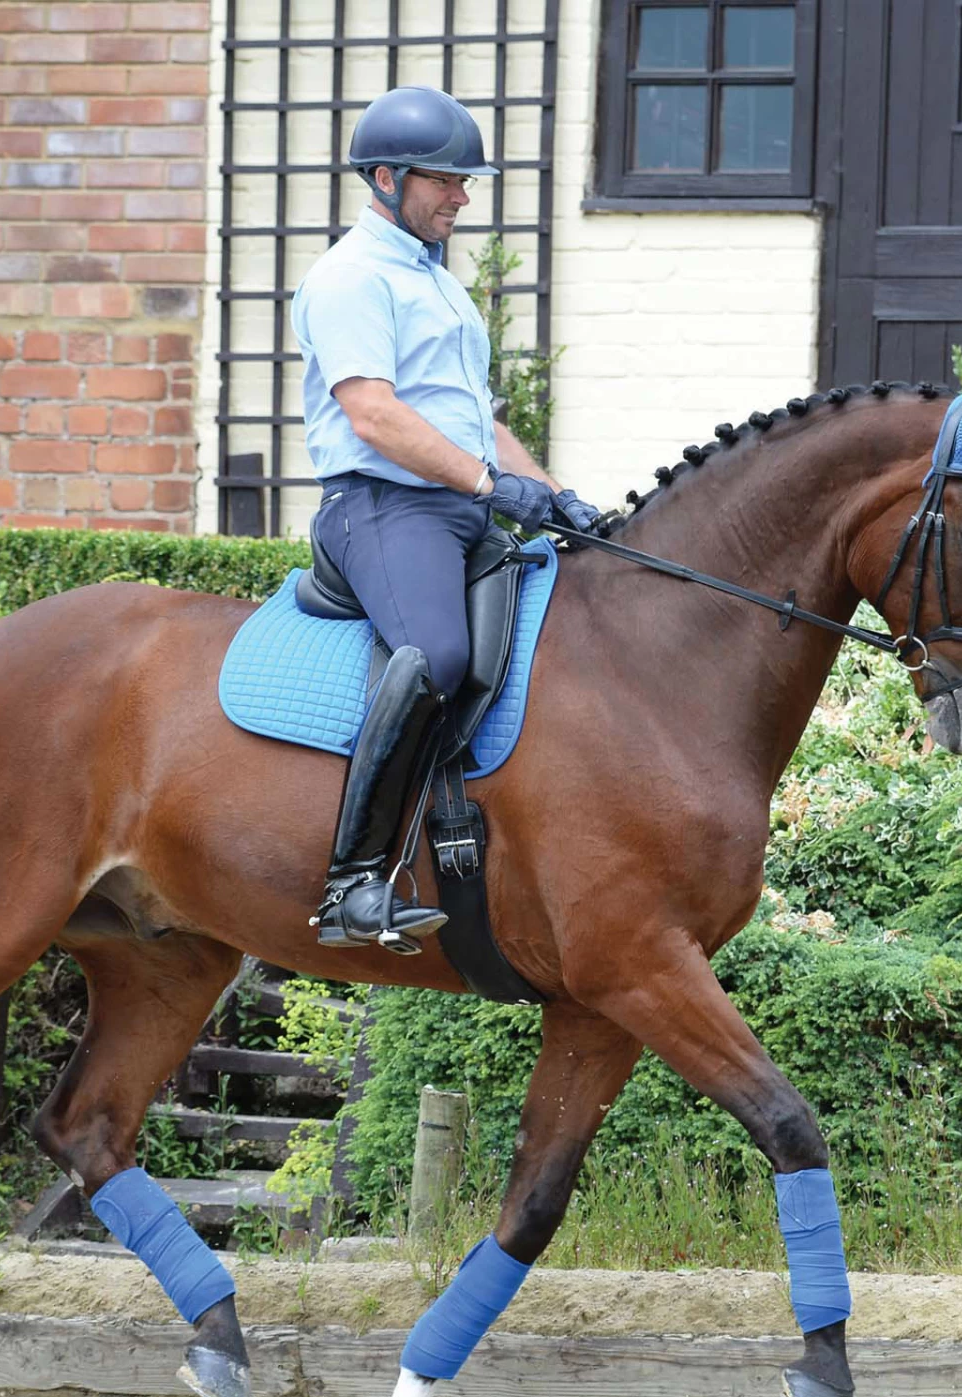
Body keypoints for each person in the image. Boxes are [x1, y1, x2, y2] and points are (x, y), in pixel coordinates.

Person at [291, 84, 603, 952]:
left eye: (466, 183)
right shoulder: (351, 277)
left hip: (458, 503)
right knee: (436, 656)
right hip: (384, 508)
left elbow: (479, 424)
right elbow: (376, 416)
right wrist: (484, 484)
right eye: (447, 182)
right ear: (387, 179)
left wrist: (553, 492)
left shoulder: (436, 284)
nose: (462, 198)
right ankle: (351, 883)